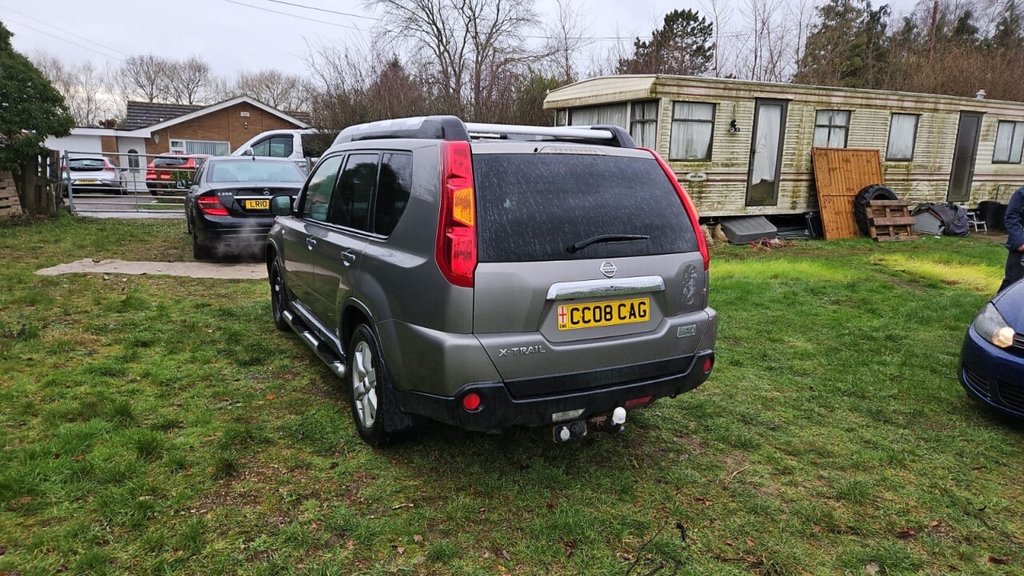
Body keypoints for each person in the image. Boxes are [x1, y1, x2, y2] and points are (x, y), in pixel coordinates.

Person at [999, 185, 1024, 292]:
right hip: (1021, 250)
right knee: (1013, 284)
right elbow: (1011, 218)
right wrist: (1020, 242)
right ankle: (994, 308)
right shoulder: (1021, 194)